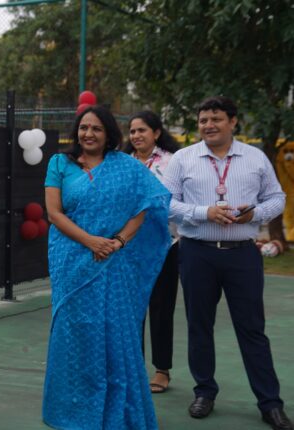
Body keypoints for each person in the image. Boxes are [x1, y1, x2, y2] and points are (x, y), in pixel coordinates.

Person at [162, 96, 291, 430]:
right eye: (203, 120)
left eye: (216, 119)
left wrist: (255, 214)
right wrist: (203, 212)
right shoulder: (183, 159)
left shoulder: (255, 158)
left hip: (242, 254)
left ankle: (270, 403)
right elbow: (163, 202)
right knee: (199, 325)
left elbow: (277, 198)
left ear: (233, 122)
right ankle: (204, 391)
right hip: (197, 252)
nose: (209, 125)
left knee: (252, 329)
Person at [42, 105, 171, 429]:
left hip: (112, 262)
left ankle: (116, 405)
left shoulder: (124, 166)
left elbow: (145, 205)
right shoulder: (59, 163)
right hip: (71, 261)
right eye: (84, 127)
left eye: (96, 128)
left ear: (108, 133)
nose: (89, 134)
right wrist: (91, 242)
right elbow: (54, 213)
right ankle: (72, 408)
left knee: (115, 331)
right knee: (74, 331)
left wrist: (119, 241)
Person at [126, 110, 181, 394]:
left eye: (142, 130)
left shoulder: (172, 162)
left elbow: (176, 201)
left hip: (164, 247)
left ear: (156, 133)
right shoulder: (123, 162)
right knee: (130, 310)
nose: (136, 136)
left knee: (161, 309)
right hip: (128, 247)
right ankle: (134, 368)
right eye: (132, 131)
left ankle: (162, 370)